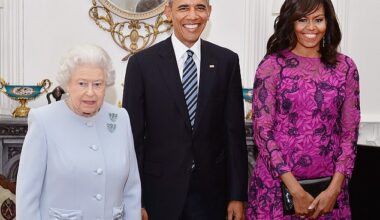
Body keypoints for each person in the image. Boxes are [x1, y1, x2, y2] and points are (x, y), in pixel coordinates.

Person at [122, 0, 248, 219]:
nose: (193, 15)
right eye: (183, 8)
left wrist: (237, 195)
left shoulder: (227, 61)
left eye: (200, 7)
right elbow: (133, 140)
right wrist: (136, 200)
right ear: (168, 12)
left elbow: (234, 134)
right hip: (158, 195)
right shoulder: (141, 64)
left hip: (212, 196)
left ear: (209, 12)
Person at [246, 0, 361, 219]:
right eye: (302, 20)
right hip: (275, 190)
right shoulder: (271, 66)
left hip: (328, 193)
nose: (311, 27)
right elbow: (263, 132)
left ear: (328, 22)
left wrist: (335, 189)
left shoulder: (345, 68)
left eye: (318, 20)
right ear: (291, 22)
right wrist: (295, 190)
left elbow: (349, 135)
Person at [16, 44, 141, 220]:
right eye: (82, 83)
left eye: (98, 84)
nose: (90, 92)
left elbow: (132, 190)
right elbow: (27, 198)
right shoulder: (43, 120)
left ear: (107, 84)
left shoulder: (120, 118)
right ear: (67, 84)